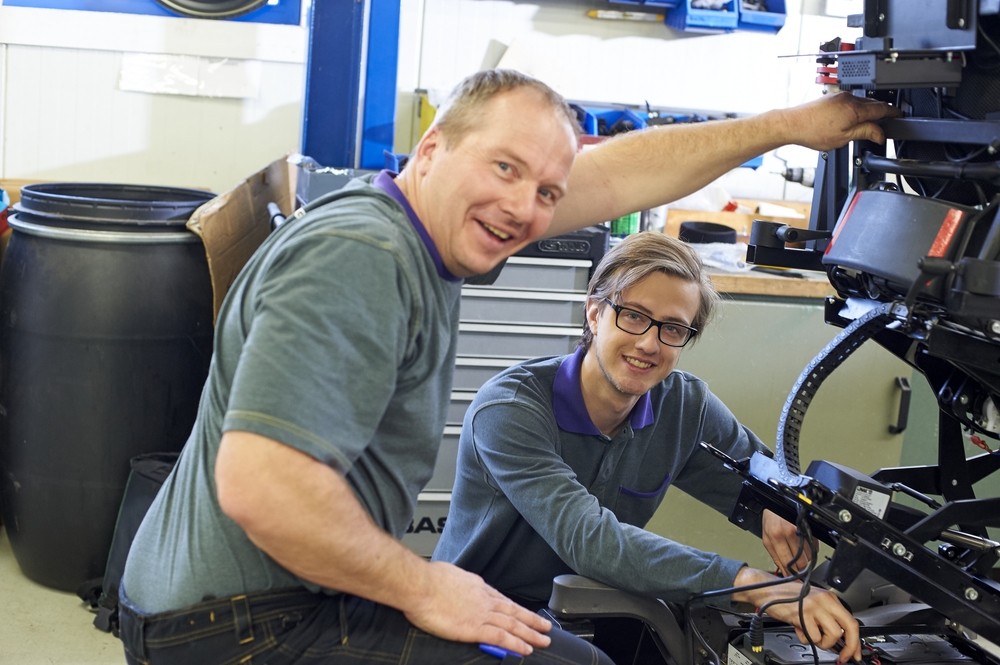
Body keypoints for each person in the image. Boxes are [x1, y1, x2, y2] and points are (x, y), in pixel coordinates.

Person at [120, 68, 891, 665]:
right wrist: (422, 584)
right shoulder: (362, 256)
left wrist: (794, 126)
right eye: (504, 168)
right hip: (234, 623)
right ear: (431, 149)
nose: (526, 207)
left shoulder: (411, 229)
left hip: (273, 595)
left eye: (547, 190)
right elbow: (264, 487)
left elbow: (620, 174)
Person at [433, 232, 863, 662]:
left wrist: (782, 510)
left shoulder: (682, 404)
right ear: (595, 313)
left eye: (672, 328)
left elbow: (762, 475)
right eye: (634, 316)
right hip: (476, 612)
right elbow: (590, 540)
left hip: (588, 601)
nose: (649, 344)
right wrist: (750, 585)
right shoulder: (509, 409)